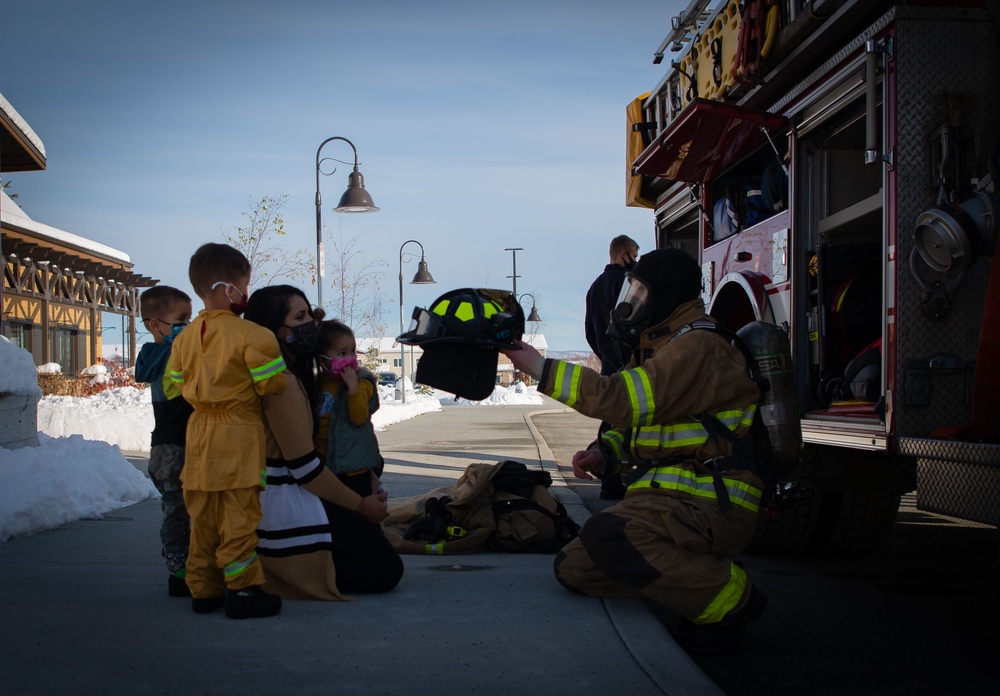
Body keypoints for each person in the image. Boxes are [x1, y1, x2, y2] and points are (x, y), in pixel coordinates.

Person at [501, 247, 767, 655]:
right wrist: (604, 453)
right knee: (575, 568)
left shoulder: (699, 347)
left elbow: (621, 400)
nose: (631, 303)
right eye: (632, 291)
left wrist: (539, 367)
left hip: (711, 500)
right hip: (666, 500)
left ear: (667, 295)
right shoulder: (662, 347)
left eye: (641, 293)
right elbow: (643, 431)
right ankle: (695, 575)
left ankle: (729, 598)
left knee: (608, 535)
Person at [245, 285, 403, 598]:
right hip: (287, 497)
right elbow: (304, 466)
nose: (311, 324)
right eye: (300, 317)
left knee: (378, 555)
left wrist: (367, 474)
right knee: (385, 571)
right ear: (274, 329)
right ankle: (280, 569)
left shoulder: (301, 377)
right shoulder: (281, 382)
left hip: (307, 487)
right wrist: (360, 506)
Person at [169, 243, 287, 620]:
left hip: (199, 433)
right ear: (226, 288)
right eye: (244, 286)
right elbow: (273, 384)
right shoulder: (252, 335)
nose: (245, 294)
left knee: (202, 518)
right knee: (239, 515)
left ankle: (204, 590)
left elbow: (175, 384)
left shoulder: (184, 338)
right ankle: (243, 590)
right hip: (238, 432)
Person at [134, 285, 194, 598]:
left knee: (175, 509)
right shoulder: (174, 357)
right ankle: (181, 569)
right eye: (181, 320)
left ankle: (178, 564)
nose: (188, 325)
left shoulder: (151, 356)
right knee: (181, 511)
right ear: (156, 324)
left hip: (162, 445)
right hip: (179, 446)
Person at [584, 234, 639, 500]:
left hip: (608, 364)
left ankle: (610, 480)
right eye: (634, 255)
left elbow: (590, 332)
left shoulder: (594, 287)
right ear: (623, 253)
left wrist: (605, 356)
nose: (636, 260)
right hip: (631, 362)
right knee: (637, 420)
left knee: (610, 422)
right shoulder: (631, 282)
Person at [314, 319, 385, 499]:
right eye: (342, 353)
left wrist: (353, 390)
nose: (350, 358)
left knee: (360, 508)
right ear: (322, 359)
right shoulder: (318, 385)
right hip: (327, 465)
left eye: (352, 351)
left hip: (355, 468)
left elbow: (359, 418)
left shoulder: (362, 384)